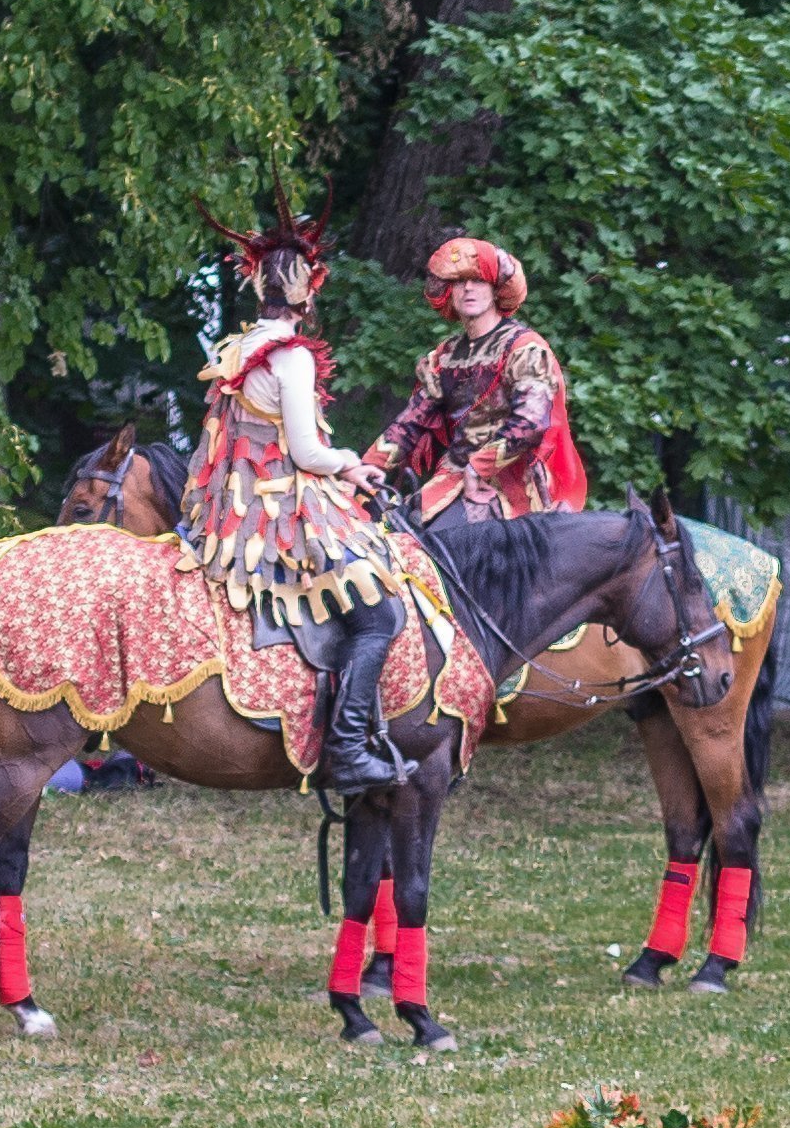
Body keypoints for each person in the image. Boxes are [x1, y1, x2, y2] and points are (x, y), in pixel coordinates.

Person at [177, 185, 414, 793]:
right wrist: (350, 463)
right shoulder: (293, 356)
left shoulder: (235, 350)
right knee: (378, 615)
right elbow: (307, 454)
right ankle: (348, 749)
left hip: (229, 513)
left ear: (257, 287)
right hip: (283, 515)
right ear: (308, 291)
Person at [364, 234, 588, 523]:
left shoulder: (524, 348)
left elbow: (530, 423)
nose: (468, 288)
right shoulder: (444, 356)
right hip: (454, 477)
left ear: (496, 290)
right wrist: (366, 468)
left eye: (479, 281)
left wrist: (477, 468)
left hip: (510, 486)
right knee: (393, 528)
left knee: (443, 538)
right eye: (459, 282)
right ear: (449, 291)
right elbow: (411, 423)